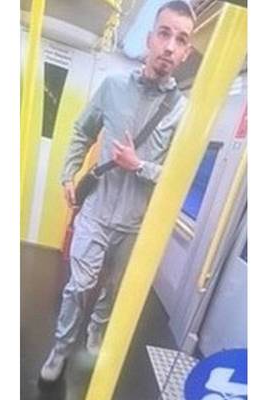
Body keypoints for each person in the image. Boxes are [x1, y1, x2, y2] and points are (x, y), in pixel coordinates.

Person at [39, 0, 196, 383]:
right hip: (96, 212)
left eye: (180, 39)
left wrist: (138, 165)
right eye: (164, 34)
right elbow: (82, 130)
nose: (170, 46)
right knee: (78, 286)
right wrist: (68, 174)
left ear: (186, 52)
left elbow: (179, 175)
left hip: (136, 225)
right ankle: (61, 347)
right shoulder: (112, 87)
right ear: (150, 38)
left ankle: (96, 329)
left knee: (113, 287)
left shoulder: (183, 111)